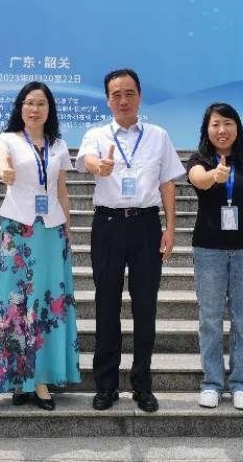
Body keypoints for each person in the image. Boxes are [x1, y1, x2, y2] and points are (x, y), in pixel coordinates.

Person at [75, 68, 185, 413]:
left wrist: (170, 227)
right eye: (116, 95)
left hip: (146, 226)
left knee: (145, 306)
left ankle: (142, 385)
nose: (123, 100)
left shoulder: (158, 136)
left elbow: (167, 182)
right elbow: (87, 160)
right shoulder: (96, 134)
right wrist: (99, 166)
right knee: (106, 305)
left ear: (140, 96)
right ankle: (106, 386)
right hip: (107, 225)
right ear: (108, 100)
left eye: (129, 93)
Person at [0, 81, 80, 411]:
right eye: (28, 103)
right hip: (18, 231)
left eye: (40, 103)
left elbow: (61, 189)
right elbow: (1, 163)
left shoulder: (58, 145)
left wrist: (68, 225)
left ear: (49, 109)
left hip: (51, 231)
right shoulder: (7, 139)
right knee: (15, 302)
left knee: (47, 302)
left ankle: (41, 380)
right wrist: (4, 171)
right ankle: (18, 379)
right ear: (20, 108)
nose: (34, 109)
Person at [186, 102, 243, 411]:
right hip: (208, 249)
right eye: (215, 124)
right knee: (210, 319)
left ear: (237, 127)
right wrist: (215, 176)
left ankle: (241, 384)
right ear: (206, 129)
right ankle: (211, 383)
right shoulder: (199, 159)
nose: (222, 130)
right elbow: (197, 179)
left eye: (228, 123)